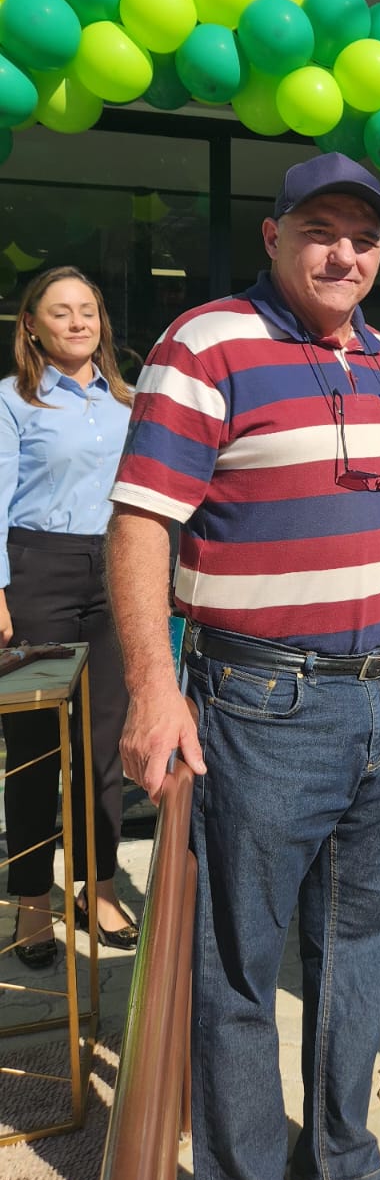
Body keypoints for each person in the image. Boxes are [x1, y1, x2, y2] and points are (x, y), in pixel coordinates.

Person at [109, 153, 380, 1180]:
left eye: (365, 238)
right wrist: (150, 683)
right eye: (321, 232)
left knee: (363, 948)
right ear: (275, 237)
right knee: (238, 973)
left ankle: (336, 1158)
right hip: (260, 705)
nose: (345, 255)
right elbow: (141, 522)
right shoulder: (206, 345)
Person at [1, 267, 136, 968]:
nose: (79, 322)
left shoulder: (127, 403)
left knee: (102, 744)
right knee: (34, 749)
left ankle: (99, 889)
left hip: (113, 574)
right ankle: (30, 903)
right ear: (33, 326)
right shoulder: (12, 402)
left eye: (89, 309)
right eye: (62, 311)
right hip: (37, 575)